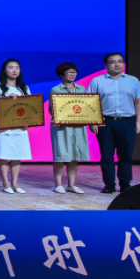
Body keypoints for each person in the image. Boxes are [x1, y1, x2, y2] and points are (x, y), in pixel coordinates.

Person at [88, 52, 140, 193]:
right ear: (105, 65)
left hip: (127, 122)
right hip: (105, 122)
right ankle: (109, 184)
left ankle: (125, 183)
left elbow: (139, 102)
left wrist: (139, 122)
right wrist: (93, 122)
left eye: (120, 61)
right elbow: (90, 103)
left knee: (126, 154)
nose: (117, 64)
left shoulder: (133, 81)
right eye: (113, 62)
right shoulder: (97, 81)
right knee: (106, 155)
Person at [0, 58, 33, 194]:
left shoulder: (24, 87)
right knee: (3, 154)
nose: (14, 70)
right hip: (3, 128)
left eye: (17, 67)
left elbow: (30, 105)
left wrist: (29, 119)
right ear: (4, 70)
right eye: (11, 67)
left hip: (19, 127)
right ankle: (5, 183)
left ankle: (15, 183)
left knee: (16, 155)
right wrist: (6, 99)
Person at [50, 62, 89, 194]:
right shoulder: (56, 90)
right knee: (60, 155)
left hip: (78, 126)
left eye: (74, 72)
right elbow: (52, 109)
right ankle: (58, 184)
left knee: (74, 155)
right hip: (62, 127)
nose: (72, 74)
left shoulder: (82, 89)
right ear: (62, 75)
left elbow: (87, 107)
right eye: (69, 72)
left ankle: (71, 185)